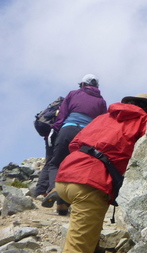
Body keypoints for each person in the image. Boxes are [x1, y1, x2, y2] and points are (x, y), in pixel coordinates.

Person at [30, 94, 147, 253]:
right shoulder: (145, 121)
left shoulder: (104, 116)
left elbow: (75, 142)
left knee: (87, 220)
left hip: (67, 174)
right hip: (91, 184)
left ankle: (91, 244)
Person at [41, 75, 107, 215]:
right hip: (86, 136)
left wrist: (55, 130)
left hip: (68, 129)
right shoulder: (101, 101)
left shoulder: (73, 94)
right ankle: (63, 207)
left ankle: (54, 188)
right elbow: (102, 122)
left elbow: (62, 114)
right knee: (72, 168)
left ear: (82, 83)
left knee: (56, 163)